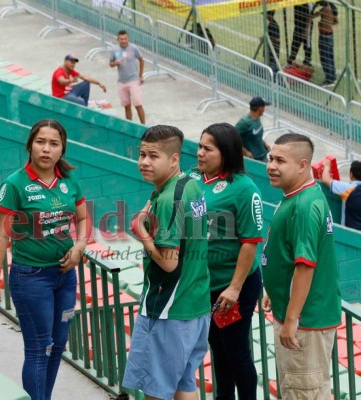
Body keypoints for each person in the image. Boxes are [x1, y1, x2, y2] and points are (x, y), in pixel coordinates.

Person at [0, 119, 88, 400]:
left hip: (65, 278)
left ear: (62, 150)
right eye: (41, 142)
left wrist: (80, 245)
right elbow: (0, 238)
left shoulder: (68, 181)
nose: (46, 149)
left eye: (54, 144)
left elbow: (83, 218)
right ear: (30, 145)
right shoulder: (15, 184)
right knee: (40, 346)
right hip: (31, 278)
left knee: (58, 345)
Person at [122, 125, 210, 400]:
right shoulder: (190, 183)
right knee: (185, 383)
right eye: (142, 155)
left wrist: (142, 233)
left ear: (174, 159)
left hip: (169, 308)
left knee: (156, 390)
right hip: (195, 304)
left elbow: (169, 263)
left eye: (153, 156)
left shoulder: (171, 197)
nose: (144, 162)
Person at [262, 133, 341, 399]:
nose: (271, 165)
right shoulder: (298, 196)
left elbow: (305, 266)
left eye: (280, 160)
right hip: (299, 317)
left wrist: (292, 319)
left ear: (302, 165)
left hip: (304, 324)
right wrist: (273, 290)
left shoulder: (305, 205)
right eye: (271, 158)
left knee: (304, 392)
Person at [188, 123, 263, 400]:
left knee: (236, 350)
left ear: (226, 152)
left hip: (235, 286)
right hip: (205, 283)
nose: (199, 153)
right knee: (217, 348)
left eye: (208, 149)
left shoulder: (244, 188)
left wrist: (233, 288)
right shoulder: (191, 179)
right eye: (199, 146)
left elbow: (250, 242)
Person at [109, 30, 145, 124]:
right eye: (121, 39)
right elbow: (110, 63)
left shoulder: (133, 48)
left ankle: (144, 126)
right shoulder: (115, 50)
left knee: (138, 104)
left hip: (133, 80)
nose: (124, 41)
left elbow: (141, 60)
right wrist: (115, 63)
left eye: (125, 39)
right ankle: (129, 125)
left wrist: (140, 76)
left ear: (128, 38)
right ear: (118, 39)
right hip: (122, 81)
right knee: (127, 105)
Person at [320, 159, 361, 229]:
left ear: (351, 174)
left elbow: (326, 179)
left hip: (349, 234)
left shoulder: (348, 189)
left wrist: (327, 165)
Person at [235, 97, 271, 162]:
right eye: (264, 107)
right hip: (253, 159)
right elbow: (233, 139)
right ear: (260, 109)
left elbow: (256, 134)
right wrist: (245, 152)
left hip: (262, 156)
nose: (264, 110)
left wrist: (264, 143)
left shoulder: (257, 118)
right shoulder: (244, 122)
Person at [312, 1, 338, 86]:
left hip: (324, 36)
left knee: (324, 58)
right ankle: (333, 77)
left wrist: (321, 24)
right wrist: (327, 23)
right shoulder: (332, 9)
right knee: (330, 57)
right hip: (330, 35)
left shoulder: (324, 9)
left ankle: (329, 80)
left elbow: (313, 15)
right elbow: (336, 22)